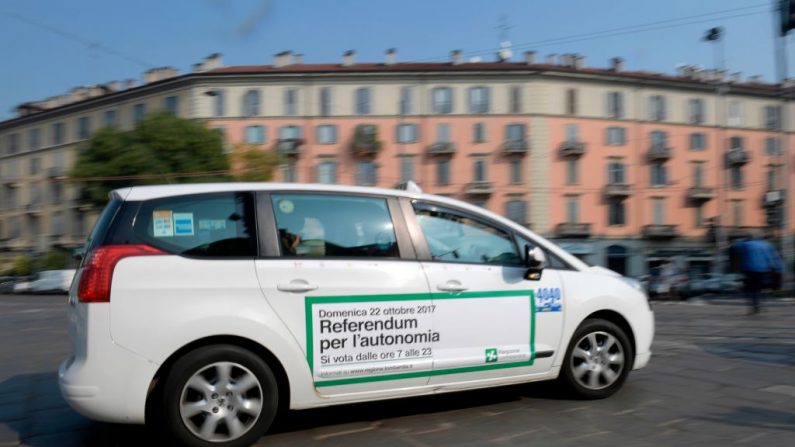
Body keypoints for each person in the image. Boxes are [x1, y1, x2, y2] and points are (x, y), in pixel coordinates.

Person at [733, 236, 783, 314]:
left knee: (751, 289)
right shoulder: (767, 245)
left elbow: (734, 248)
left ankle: (754, 306)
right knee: (761, 287)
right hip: (763, 269)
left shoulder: (744, 244)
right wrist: (777, 268)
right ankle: (762, 304)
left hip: (748, 269)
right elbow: (773, 258)